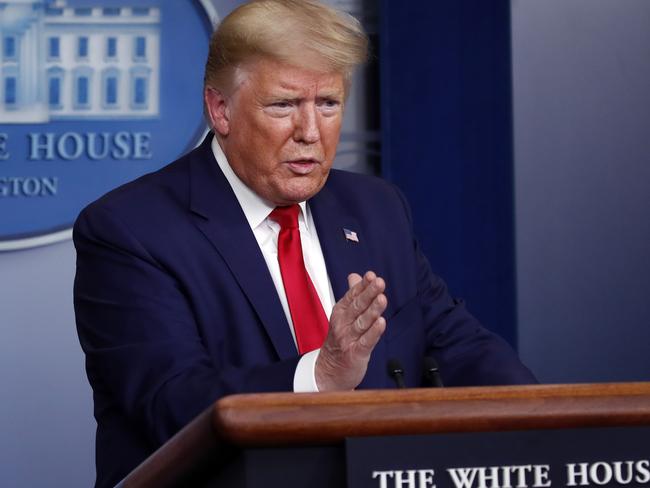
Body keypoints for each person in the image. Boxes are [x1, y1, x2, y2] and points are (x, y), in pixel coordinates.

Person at [73, 1, 536, 486]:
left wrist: (545, 419)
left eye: (328, 104)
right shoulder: (131, 230)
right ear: (220, 109)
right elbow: (171, 403)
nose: (310, 132)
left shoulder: (375, 208)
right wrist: (320, 374)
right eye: (284, 105)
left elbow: (455, 344)